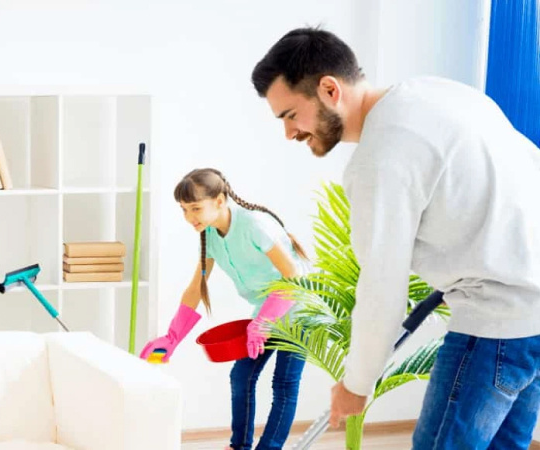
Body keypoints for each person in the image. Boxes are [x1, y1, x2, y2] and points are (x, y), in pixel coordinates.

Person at [251, 26, 540, 449]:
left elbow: (382, 286)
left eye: (291, 115)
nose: (289, 133)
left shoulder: (380, 158)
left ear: (330, 90)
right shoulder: (439, 94)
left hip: (495, 326)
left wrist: (356, 383)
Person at [140, 168, 310, 450]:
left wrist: (263, 323)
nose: (189, 217)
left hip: (299, 308)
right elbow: (196, 287)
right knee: (241, 376)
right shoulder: (210, 235)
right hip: (266, 311)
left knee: (284, 384)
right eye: (183, 210)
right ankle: (239, 446)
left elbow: (294, 279)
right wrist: (172, 338)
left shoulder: (254, 224)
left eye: (195, 208)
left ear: (219, 200)